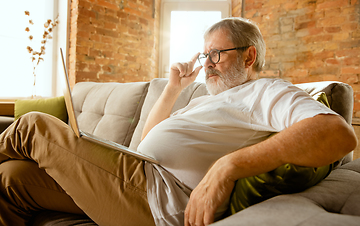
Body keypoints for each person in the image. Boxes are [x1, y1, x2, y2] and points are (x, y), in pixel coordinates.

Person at [0, 17, 357, 226]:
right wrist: (173, 89)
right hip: (138, 175)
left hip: (159, 198)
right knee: (13, 179)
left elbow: (337, 133)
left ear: (249, 56)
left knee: (34, 126)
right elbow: (145, 143)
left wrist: (228, 166)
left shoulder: (265, 92)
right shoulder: (208, 98)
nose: (207, 63)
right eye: (205, 55)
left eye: (216, 53)